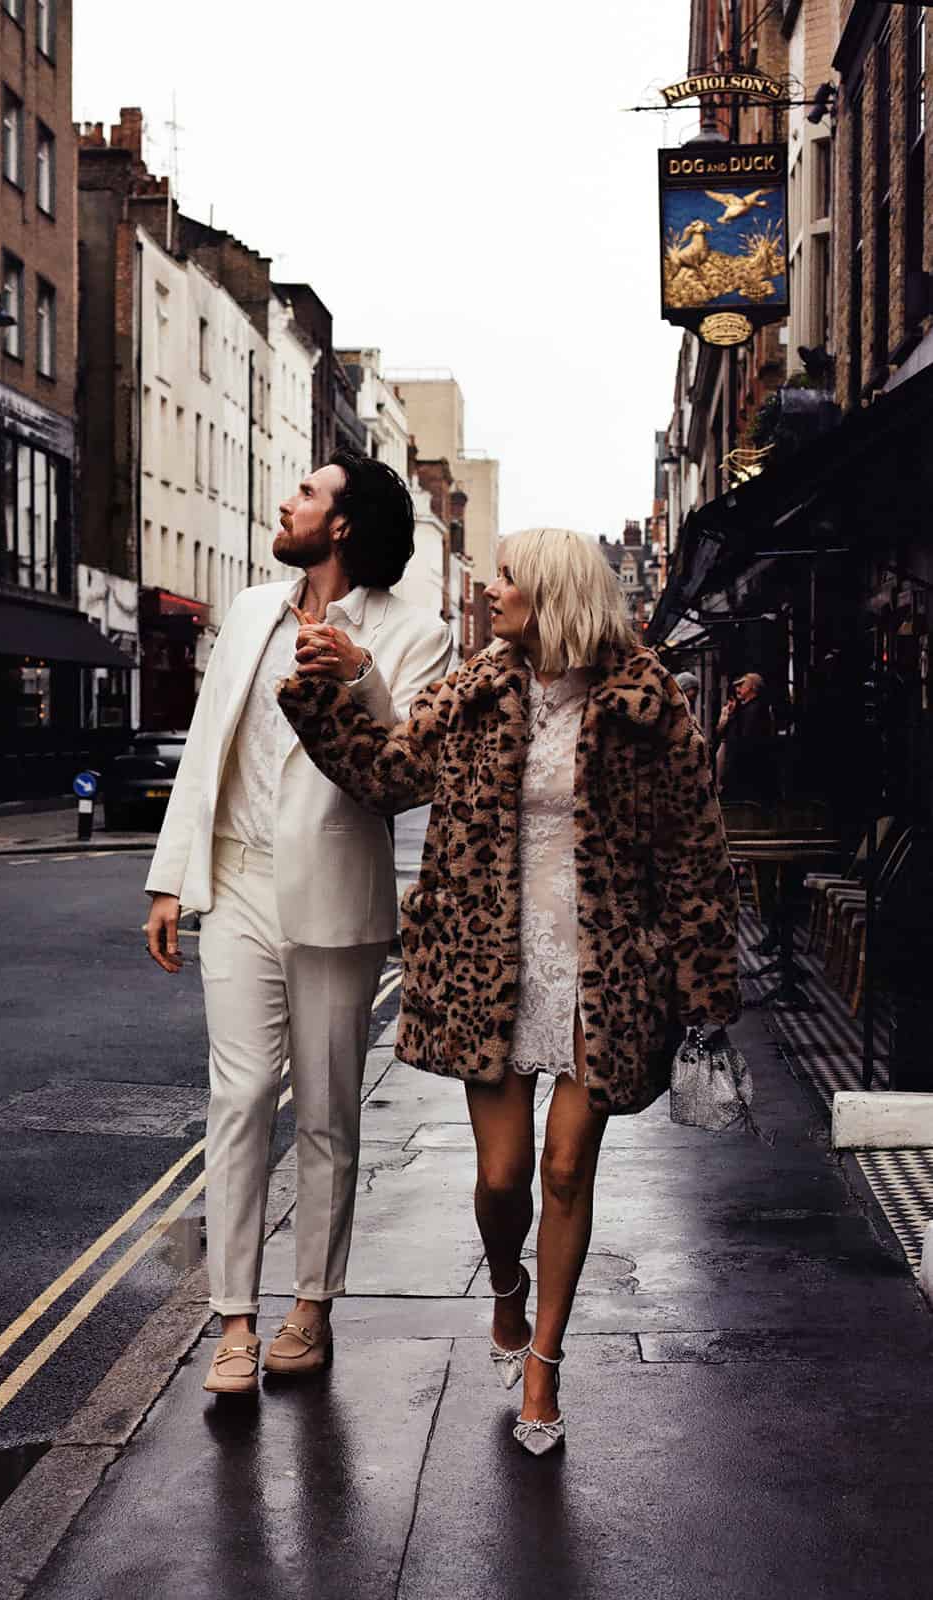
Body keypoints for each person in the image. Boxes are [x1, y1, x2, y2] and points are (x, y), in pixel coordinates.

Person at [278, 528, 739, 1455]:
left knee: (567, 1168)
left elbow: (695, 853)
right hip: (488, 966)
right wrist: (323, 691)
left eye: (506, 578)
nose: (490, 591)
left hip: (601, 972)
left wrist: (702, 990)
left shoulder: (651, 709)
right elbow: (384, 774)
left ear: (552, 594)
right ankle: (504, 1286)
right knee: (501, 1179)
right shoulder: (474, 692)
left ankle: (544, 1369)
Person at [144, 447, 453, 1397]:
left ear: (345, 524)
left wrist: (359, 676)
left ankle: (310, 1309)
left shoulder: (416, 631)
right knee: (237, 1101)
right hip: (236, 884)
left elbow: (409, 765)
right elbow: (207, 750)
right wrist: (170, 880)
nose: (287, 501)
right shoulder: (248, 613)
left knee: (325, 1111)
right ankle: (233, 1322)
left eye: (308, 494)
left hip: (332, 896)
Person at [715, 671, 775, 806]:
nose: (738, 689)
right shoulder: (745, 709)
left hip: (745, 771)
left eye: (742, 685)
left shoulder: (756, 709)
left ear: (753, 687)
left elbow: (745, 740)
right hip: (740, 769)